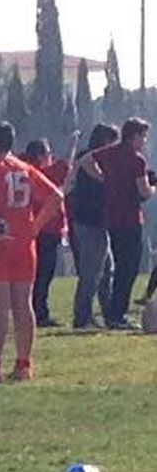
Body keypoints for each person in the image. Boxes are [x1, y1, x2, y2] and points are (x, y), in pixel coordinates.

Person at [0, 121, 64, 381]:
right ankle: (23, 364)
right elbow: (56, 197)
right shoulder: (25, 169)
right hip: (24, 245)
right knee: (23, 305)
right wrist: (35, 226)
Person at [79, 117, 156, 330]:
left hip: (112, 218)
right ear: (135, 136)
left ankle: (114, 313)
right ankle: (116, 314)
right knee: (128, 269)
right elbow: (143, 191)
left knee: (120, 266)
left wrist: (102, 177)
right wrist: (153, 188)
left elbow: (85, 160)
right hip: (131, 217)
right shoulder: (136, 159)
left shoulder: (110, 152)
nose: (145, 141)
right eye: (143, 136)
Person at [66, 123, 117, 330]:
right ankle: (82, 317)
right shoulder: (88, 157)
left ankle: (108, 313)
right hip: (90, 222)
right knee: (91, 272)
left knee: (106, 270)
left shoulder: (95, 158)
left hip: (97, 222)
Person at [25, 140, 71, 327]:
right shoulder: (43, 174)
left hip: (36, 230)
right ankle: (40, 312)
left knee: (38, 275)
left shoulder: (25, 173)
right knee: (44, 274)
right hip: (47, 231)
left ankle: (36, 311)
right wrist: (71, 144)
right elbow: (64, 166)